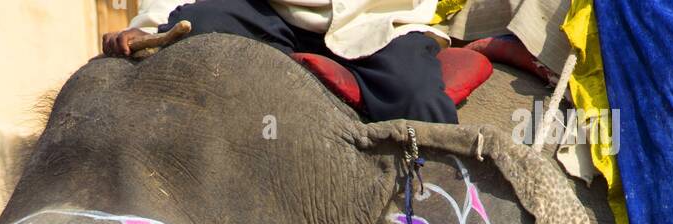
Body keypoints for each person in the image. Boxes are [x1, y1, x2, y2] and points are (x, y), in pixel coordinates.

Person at [102, 0, 458, 125]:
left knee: (417, 97)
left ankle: (444, 216)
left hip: (379, 18)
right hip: (269, 10)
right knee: (198, 28)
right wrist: (148, 28)